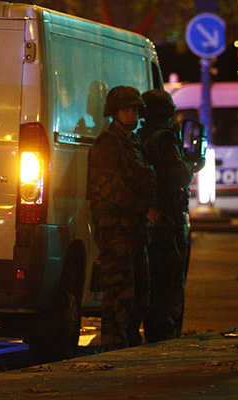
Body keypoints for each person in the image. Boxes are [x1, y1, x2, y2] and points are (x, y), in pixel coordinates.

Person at [86, 85, 157, 352]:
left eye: (135, 109)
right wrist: (144, 209)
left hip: (134, 231)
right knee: (119, 296)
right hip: (116, 232)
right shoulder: (108, 143)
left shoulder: (133, 142)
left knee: (139, 295)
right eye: (126, 109)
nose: (132, 114)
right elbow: (110, 189)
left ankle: (127, 344)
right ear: (114, 113)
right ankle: (114, 349)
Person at [138, 89, 194, 343]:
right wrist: (191, 167)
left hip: (148, 222)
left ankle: (155, 332)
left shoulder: (138, 138)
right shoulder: (165, 140)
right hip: (168, 222)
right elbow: (180, 176)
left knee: (152, 283)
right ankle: (165, 337)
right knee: (170, 284)